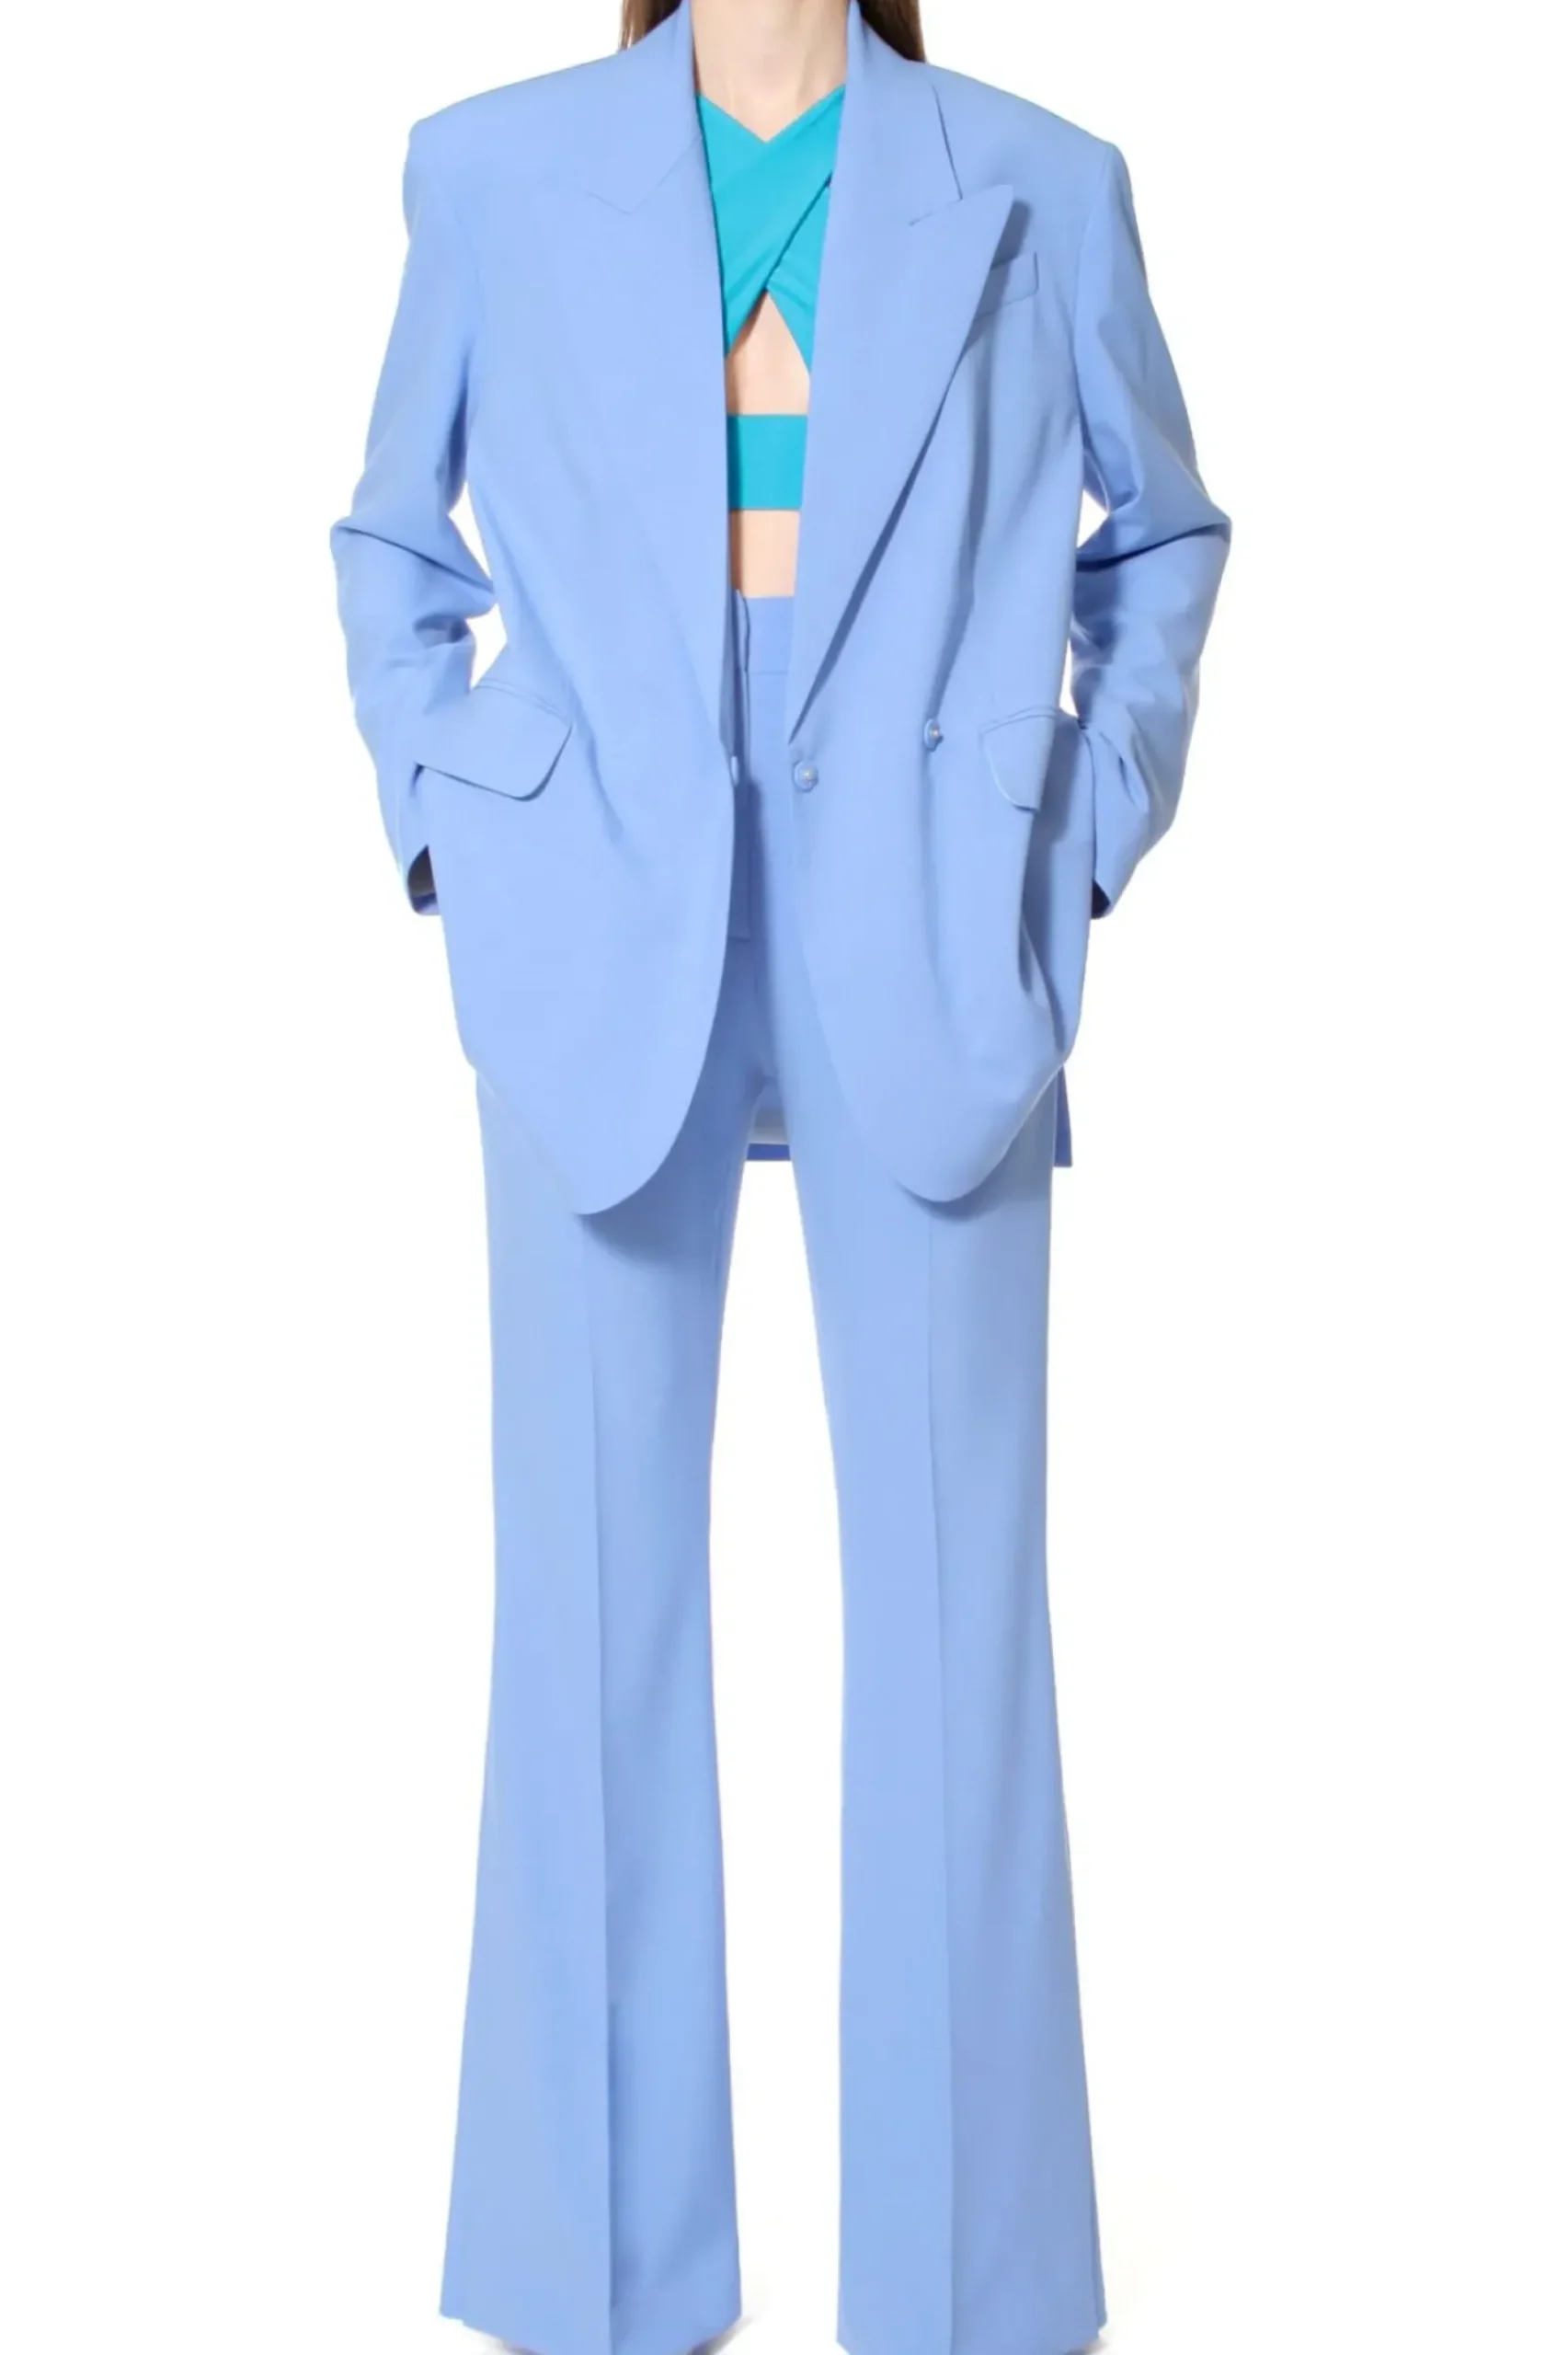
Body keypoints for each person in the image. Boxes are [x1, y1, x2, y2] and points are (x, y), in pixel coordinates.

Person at [329, 1, 1230, 2349]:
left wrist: (1079, 832)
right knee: (587, 1612)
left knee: (955, 1624)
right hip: (595, 915)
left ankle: (964, 2287)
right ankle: (604, 2277)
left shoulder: (1041, 181)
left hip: (930, 921)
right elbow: (388, 539)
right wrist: (451, 822)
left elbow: (1165, 530)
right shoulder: (490, 168)